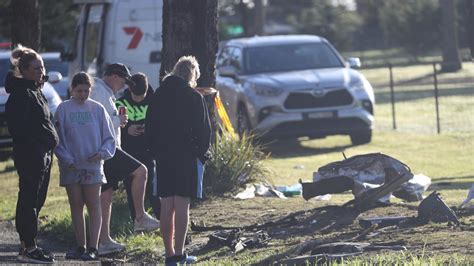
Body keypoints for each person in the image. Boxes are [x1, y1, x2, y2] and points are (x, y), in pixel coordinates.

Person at [145, 56, 211, 265]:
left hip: (163, 156)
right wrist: (201, 153)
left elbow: (150, 126)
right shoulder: (193, 97)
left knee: (166, 206)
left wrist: (154, 151)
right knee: (182, 205)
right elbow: (203, 130)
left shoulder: (158, 95)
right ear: (192, 75)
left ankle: (169, 253)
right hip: (186, 156)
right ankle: (180, 252)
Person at [90, 63, 160, 255]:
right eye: (123, 80)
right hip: (107, 148)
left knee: (106, 195)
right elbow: (95, 120)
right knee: (141, 171)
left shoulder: (106, 93)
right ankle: (140, 217)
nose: (124, 86)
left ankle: (103, 241)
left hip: (108, 149)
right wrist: (118, 121)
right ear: (113, 76)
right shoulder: (99, 92)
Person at [5, 45, 59, 263]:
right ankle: (29, 247)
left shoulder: (34, 90)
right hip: (31, 155)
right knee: (29, 200)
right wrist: (39, 145)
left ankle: (27, 245)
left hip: (42, 154)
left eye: (42, 67)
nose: (41, 71)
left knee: (37, 199)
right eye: (36, 68)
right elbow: (20, 128)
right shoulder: (21, 93)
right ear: (24, 70)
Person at [54, 72, 116, 261]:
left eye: (86, 90)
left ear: (91, 89)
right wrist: (66, 159)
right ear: (72, 89)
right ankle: (80, 245)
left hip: (93, 165)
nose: (82, 94)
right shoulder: (63, 109)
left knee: (94, 204)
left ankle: (93, 246)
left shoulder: (97, 109)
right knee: (76, 205)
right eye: (79, 90)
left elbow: (109, 137)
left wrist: (102, 153)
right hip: (71, 166)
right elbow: (57, 138)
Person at [116, 73, 161, 221]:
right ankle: (137, 220)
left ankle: (161, 219)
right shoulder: (120, 103)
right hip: (128, 151)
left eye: (142, 95)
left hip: (149, 150)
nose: (139, 99)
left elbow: (161, 123)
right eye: (136, 96)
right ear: (129, 89)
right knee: (130, 187)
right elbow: (112, 124)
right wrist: (127, 128)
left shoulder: (154, 101)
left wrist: (147, 127)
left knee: (153, 187)